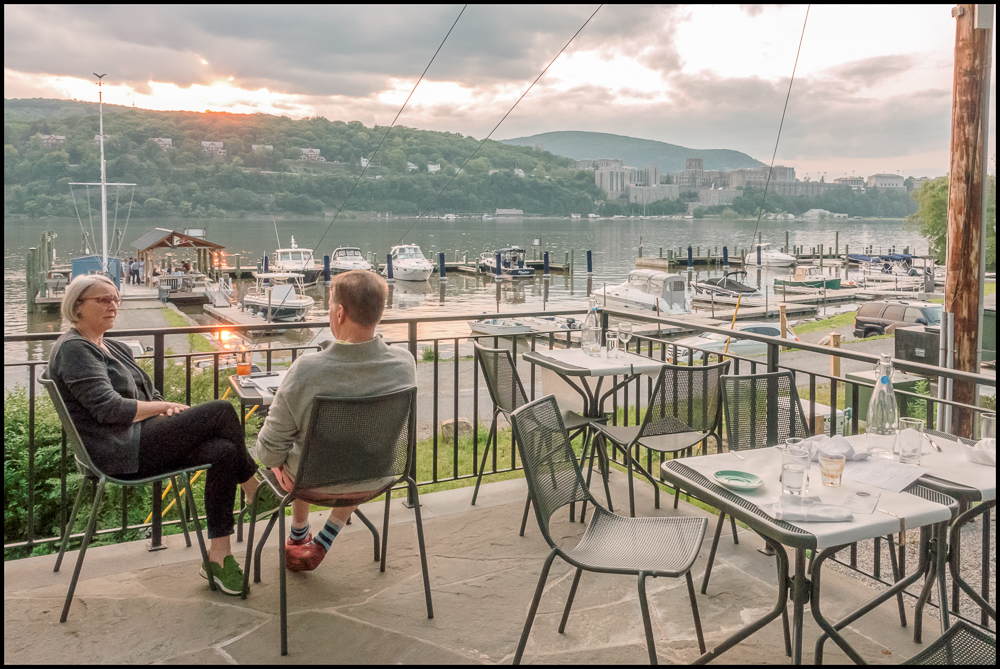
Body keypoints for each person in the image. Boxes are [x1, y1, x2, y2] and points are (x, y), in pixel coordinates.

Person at [48, 274, 269, 595]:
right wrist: (164, 407)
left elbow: (147, 395)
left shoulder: (111, 345)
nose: (113, 305)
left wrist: (167, 413)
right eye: (103, 300)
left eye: (116, 299)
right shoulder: (74, 350)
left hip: (142, 438)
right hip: (119, 452)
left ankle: (219, 556)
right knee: (221, 411)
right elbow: (109, 409)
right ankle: (254, 489)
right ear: (77, 306)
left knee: (223, 450)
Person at [255, 270, 416, 572]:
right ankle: (320, 537)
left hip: (311, 483)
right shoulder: (405, 363)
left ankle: (299, 531)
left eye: (329, 305)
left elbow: (268, 454)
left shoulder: (307, 370)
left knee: (296, 446)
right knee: (353, 450)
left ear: (339, 312)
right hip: (377, 476)